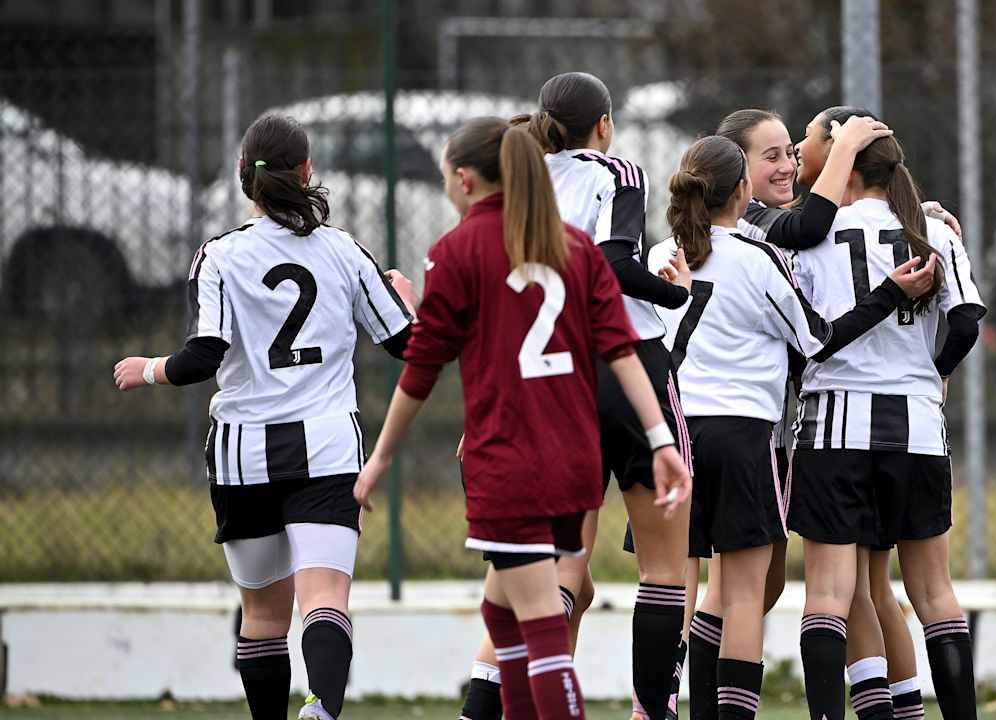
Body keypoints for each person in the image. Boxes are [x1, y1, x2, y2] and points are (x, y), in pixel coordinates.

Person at [351, 117, 692, 720]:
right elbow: (620, 348)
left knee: (536, 616)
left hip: (508, 454)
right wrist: (662, 438)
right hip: (573, 455)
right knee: (513, 608)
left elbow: (421, 367)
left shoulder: (457, 251)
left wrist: (379, 456)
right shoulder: (577, 246)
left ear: (463, 180)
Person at [113, 113, 416, 720]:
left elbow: (203, 358)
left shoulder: (220, 255)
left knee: (263, 616)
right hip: (329, 448)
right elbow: (410, 347)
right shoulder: (345, 250)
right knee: (325, 599)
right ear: (308, 173)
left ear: (242, 179)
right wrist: (412, 302)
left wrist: (147, 368)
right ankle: (323, 708)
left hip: (241, 453)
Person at [652, 134, 935, 720]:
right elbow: (817, 341)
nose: (786, 166)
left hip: (674, 433)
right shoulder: (759, 259)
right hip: (745, 436)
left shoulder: (662, 254)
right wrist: (889, 292)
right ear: (741, 189)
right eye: (771, 156)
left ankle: (651, 707)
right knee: (744, 595)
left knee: (668, 587)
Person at [449, 71, 694, 720]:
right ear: (604, 125)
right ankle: (653, 711)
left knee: (563, 579)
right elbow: (614, 265)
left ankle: (512, 700)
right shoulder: (616, 173)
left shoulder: (516, 189)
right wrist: (676, 292)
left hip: (553, 380)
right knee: (664, 570)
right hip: (625, 363)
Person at [788, 107, 986, 720]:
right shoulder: (930, 229)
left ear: (842, 154)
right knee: (934, 592)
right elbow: (966, 318)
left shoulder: (809, 234)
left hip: (833, 425)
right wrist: (940, 370)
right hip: (917, 427)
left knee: (828, 594)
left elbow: (800, 336)